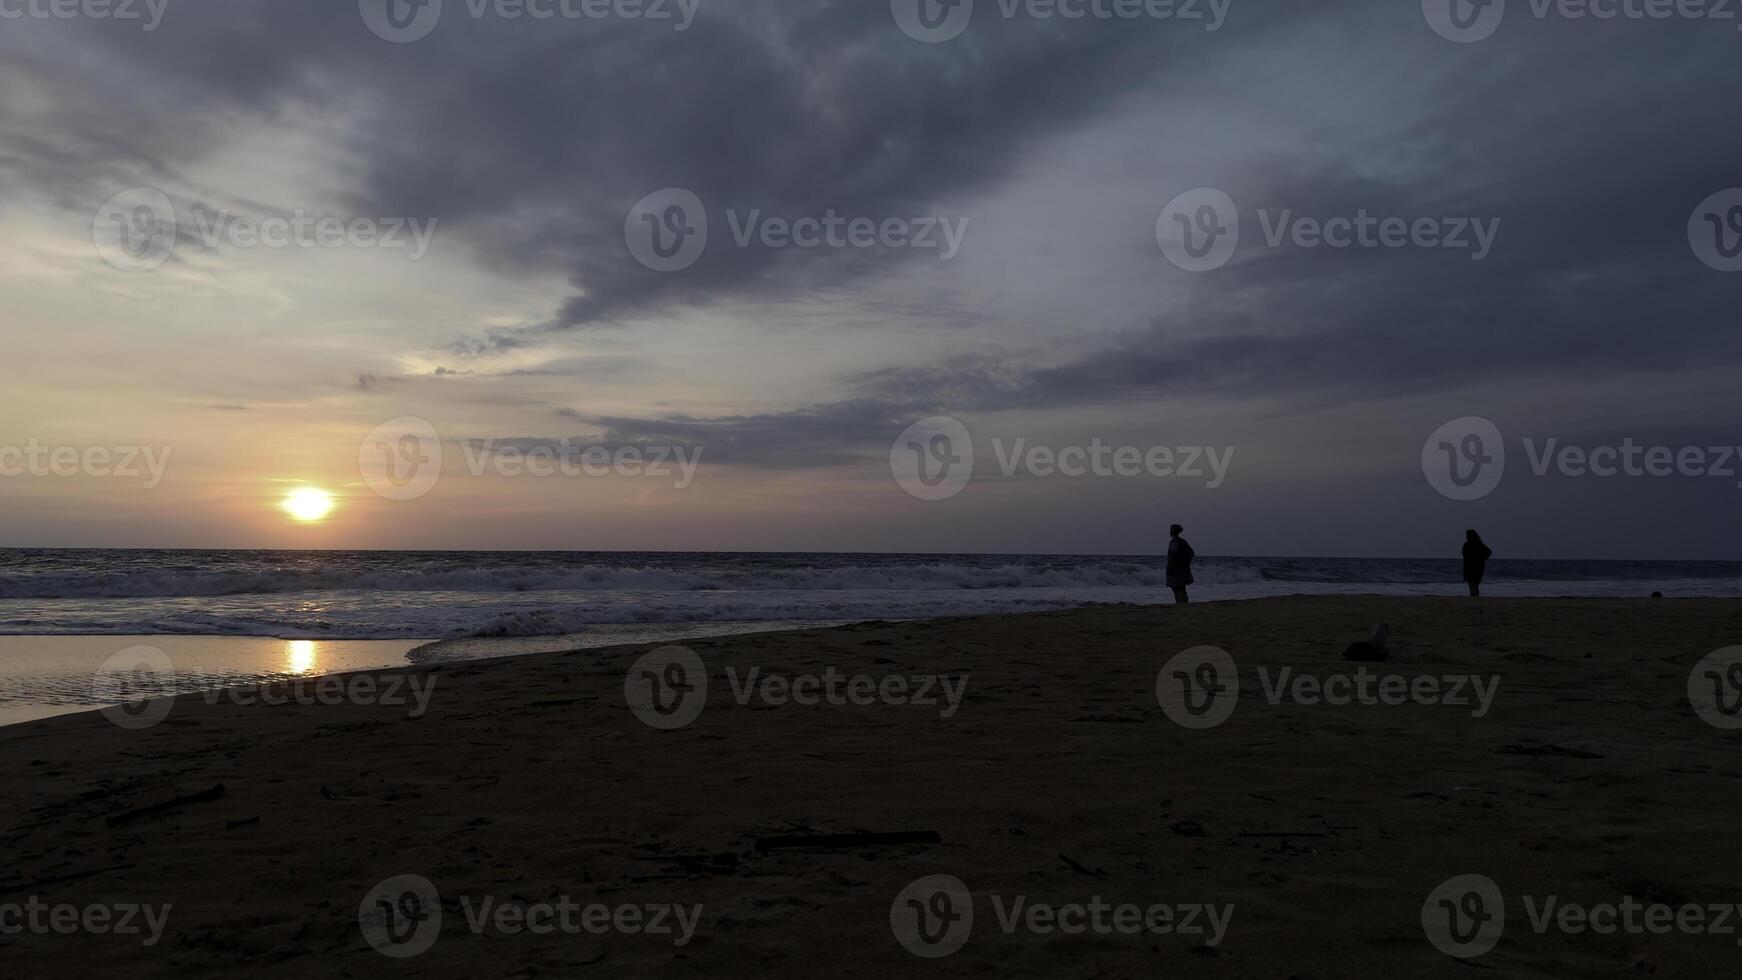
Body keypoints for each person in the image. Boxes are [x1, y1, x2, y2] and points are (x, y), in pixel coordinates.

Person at [1166, 524, 1195, 604]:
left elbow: (1172, 555)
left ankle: (1180, 603)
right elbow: (1192, 553)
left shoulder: (1174, 541)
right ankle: (1184, 604)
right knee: (1182, 588)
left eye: (1171, 530)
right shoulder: (1183, 541)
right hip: (1183, 568)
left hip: (1175, 569)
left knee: (1176, 588)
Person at [1462, 529, 1492, 597]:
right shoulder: (1479, 544)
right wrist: (1482, 559)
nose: (1466, 536)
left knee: (1472, 583)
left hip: (1470, 566)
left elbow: (1464, 554)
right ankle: (1475, 597)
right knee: (1475, 583)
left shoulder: (1467, 544)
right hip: (1478, 566)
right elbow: (1489, 552)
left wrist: (1481, 559)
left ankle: (1474, 597)